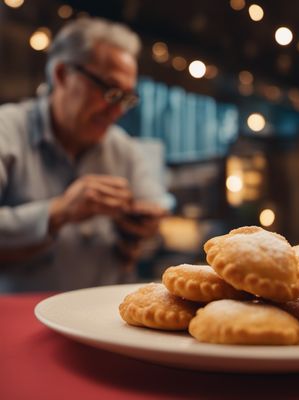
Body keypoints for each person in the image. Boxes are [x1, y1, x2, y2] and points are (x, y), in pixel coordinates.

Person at [0, 17, 171, 292]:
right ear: (62, 75)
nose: (117, 111)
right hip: (17, 319)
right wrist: (59, 212)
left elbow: (154, 237)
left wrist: (140, 232)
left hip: (105, 320)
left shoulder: (124, 150)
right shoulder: (6, 131)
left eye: (126, 98)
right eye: (109, 91)